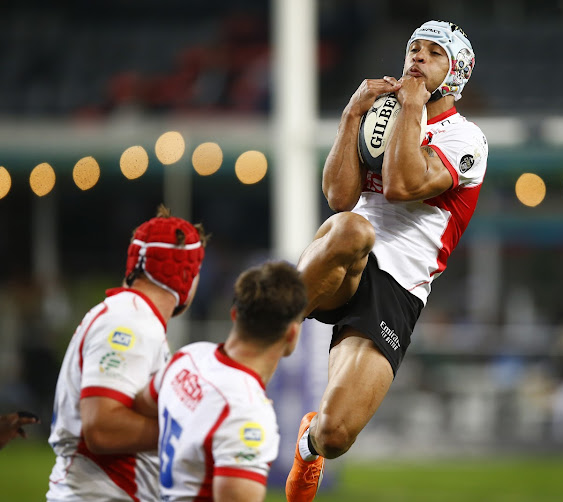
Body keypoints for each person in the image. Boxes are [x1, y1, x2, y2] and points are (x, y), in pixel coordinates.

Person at [286, 20, 487, 500]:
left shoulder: (466, 138)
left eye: (433, 53)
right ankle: (273, 323)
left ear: (456, 72)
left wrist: (412, 110)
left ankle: (307, 446)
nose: (417, 57)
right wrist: (352, 115)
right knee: (355, 225)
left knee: (337, 436)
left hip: (400, 287)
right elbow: (339, 196)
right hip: (347, 254)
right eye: (413, 47)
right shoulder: (380, 112)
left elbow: (401, 185)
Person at [47, 205, 207, 502]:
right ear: (187, 272)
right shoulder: (130, 323)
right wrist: (196, 429)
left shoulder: (131, 317)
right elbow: (103, 429)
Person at [133, 261, 306, 502]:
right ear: (292, 334)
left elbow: (142, 408)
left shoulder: (187, 358)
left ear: (235, 315)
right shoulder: (248, 413)